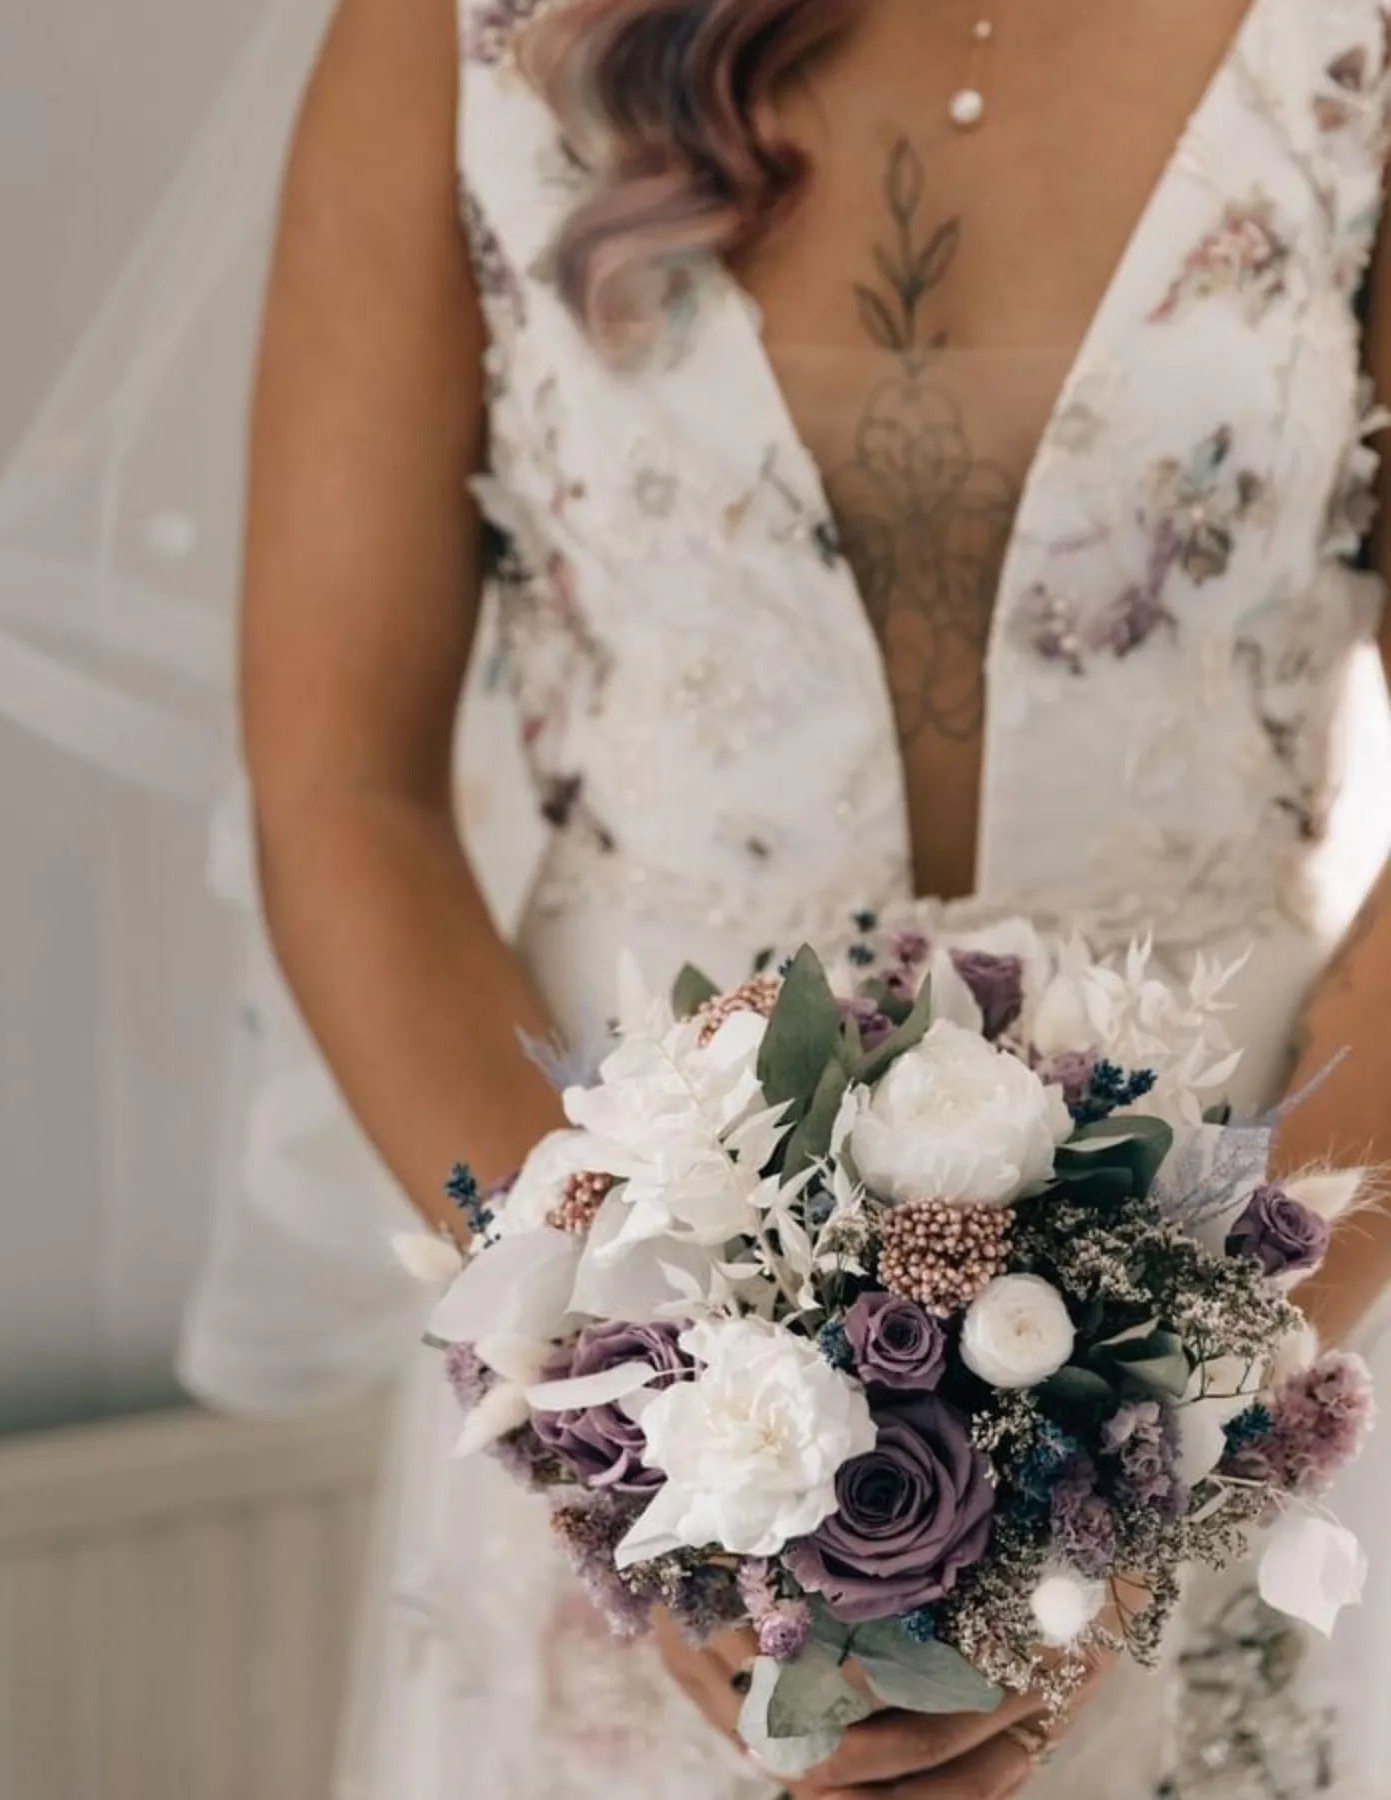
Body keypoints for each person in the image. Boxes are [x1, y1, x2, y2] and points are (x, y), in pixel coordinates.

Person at [237, 0, 1391, 1794]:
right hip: (622, 1299)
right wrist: (623, 1414)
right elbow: (341, 787)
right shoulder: (446, 35)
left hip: (1271, 1263)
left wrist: (1188, 1423)